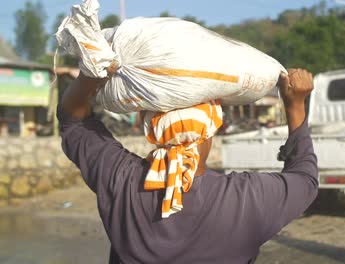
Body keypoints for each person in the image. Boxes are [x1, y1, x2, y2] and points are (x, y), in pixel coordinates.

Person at [58, 68, 318, 263]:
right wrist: (295, 106)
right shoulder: (249, 197)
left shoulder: (121, 178)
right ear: (211, 130)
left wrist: (92, 73)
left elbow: (73, 120)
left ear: (153, 128)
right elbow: (305, 177)